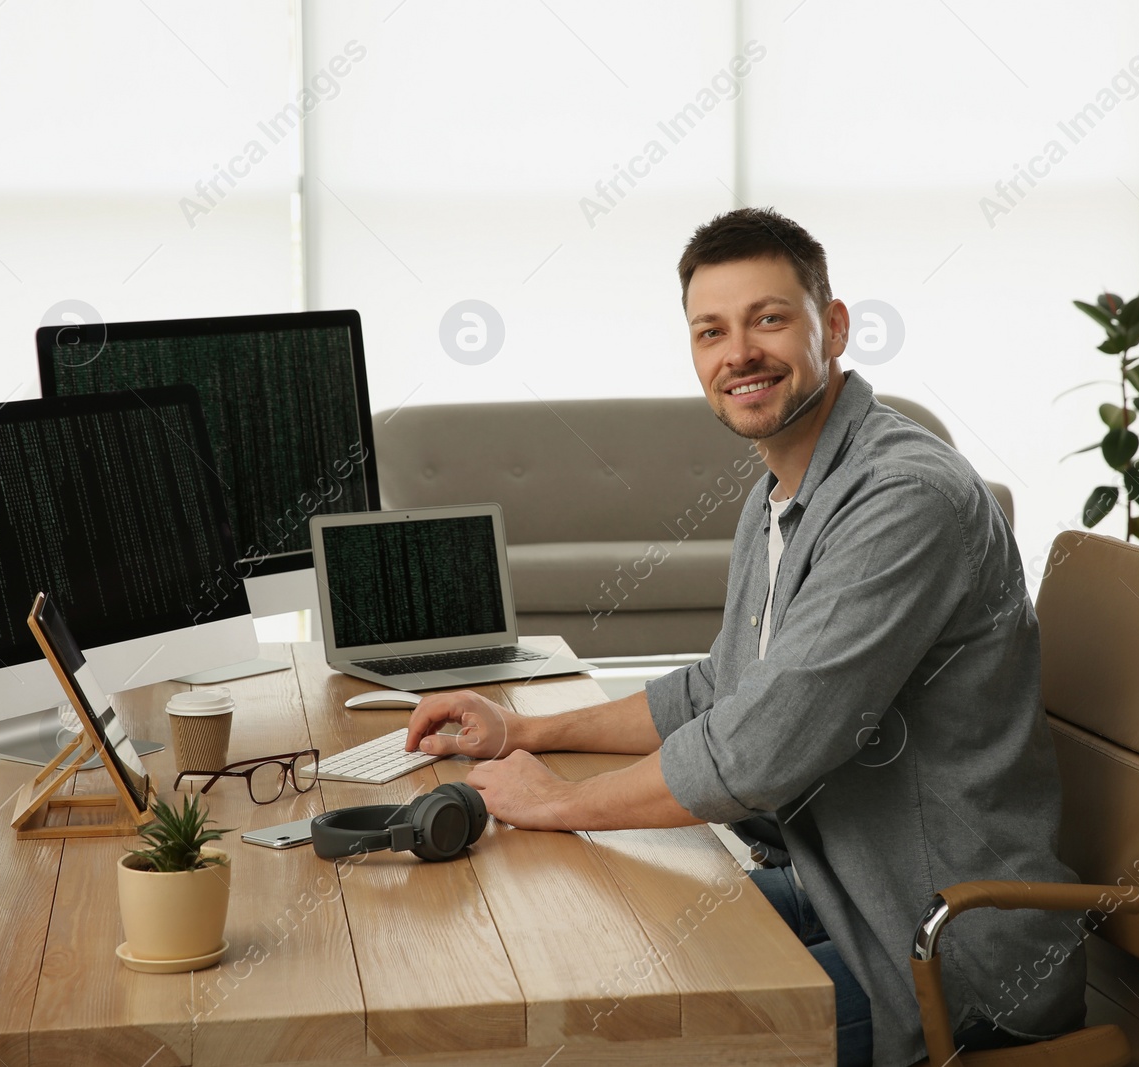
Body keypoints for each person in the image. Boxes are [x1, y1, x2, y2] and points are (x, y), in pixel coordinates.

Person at [404, 207, 1085, 1067]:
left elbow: (756, 749)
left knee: (617, 1040)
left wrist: (557, 803)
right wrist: (525, 730)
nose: (739, 354)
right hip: (840, 889)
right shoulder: (783, 491)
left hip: (944, 951)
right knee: (584, 951)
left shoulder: (904, 499)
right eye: (710, 331)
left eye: (768, 318)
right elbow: (721, 687)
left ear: (831, 326)